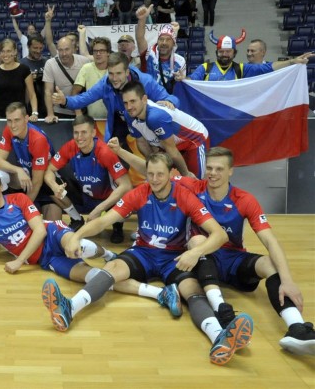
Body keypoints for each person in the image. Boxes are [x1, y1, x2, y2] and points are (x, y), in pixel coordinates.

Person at [40, 153, 254, 366]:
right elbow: (105, 221)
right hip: (144, 252)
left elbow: (220, 235)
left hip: (174, 257)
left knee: (192, 291)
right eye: (150, 174)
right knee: (113, 267)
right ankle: (69, 308)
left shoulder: (185, 196)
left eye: (160, 174)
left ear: (171, 174)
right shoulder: (141, 192)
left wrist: (194, 253)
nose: (154, 179)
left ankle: (219, 337)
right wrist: (76, 236)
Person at [177, 147, 315, 356]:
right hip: (204, 258)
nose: (213, 173)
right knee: (197, 240)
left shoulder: (244, 199)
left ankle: (296, 327)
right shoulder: (193, 187)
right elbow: (157, 173)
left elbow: (270, 240)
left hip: (233, 258)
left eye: (219, 169)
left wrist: (287, 281)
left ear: (231, 171)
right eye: (209, 168)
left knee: (269, 264)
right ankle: (222, 311)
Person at [0, 170, 117, 277]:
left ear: (1, 187)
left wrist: (19, 261)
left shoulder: (18, 199)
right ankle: (115, 277)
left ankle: (108, 255)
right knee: (88, 276)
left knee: (75, 247)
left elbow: (40, 231)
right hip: (43, 258)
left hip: (51, 234)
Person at [52, 52, 179, 148]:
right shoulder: (105, 83)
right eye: (111, 73)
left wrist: (170, 102)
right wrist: (65, 101)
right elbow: (83, 99)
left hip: (144, 122)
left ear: (127, 72)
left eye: (118, 73)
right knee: (112, 152)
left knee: (153, 152)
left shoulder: (145, 81)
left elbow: (172, 98)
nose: (114, 78)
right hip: (119, 122)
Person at [44, 115, 132, 243]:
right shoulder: (70, 147)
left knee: (127, 199)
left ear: (93, 132)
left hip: (106, 200)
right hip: (84, 195)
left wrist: (99, 209)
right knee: (47, 183)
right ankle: (76, 219)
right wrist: (54, 186)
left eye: (84, 132)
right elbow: (49, 170)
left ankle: (117, 226)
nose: (79, 137)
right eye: (76, 133)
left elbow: (126, 185)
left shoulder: (104, 152)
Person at [0, 102, 83, 226]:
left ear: (26, 119)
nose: (13, 125)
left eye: (16, 120)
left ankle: (77, 218)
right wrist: (18, 170)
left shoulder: (38, 139)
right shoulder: (9, 129)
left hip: (43, 175)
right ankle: (0, 212)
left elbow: (37, 182)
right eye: (9, 120)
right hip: (27, 175)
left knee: (52, 227)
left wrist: (21, 212)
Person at [121, 81, 209, 178]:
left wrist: (186, 174)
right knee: (161, 178)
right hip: (169, 144)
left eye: (133, 101)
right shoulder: (128, 115)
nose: (129, 107)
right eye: (125, 103)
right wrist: (154, 164)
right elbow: (141, 142)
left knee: (195, 183)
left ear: (144, 99)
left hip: (194, 140)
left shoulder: (155, 117)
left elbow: (172, 150)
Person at [187, 31, 314, 81]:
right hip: (208, 116)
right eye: (221, 51)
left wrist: (292, 61)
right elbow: (190, 81)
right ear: (216, 52)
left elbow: (267, 68)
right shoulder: (205, 68)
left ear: (234, 53)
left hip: (234, 117)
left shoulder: (242, 69)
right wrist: (183, 79)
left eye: (228, 51)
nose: (224, 54)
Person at [136, 7, 186, 94]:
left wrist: (182, 80)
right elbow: (140, 38)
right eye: (161, 39)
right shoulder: (149, 53)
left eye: (168, 40)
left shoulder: (180, 62)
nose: (164, 42)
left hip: (166, 103)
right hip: (146, 102)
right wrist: (142, 19)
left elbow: (183, 85)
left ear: (174, 43)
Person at [0, 39, 37, 121]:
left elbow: (32, 94)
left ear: (15, 52)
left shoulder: (24, 69)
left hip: (19, 117)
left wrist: (34, 113)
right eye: (3, 51)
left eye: (9, 51)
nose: (5, 54)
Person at [43, 37, 91, 122]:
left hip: (83, 111)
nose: (64, 53)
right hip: (60, 111)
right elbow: (48, 91)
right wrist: (50, 114)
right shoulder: (50, 64)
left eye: (67, 49)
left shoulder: (85, 62)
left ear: (73, 49)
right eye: (60, 50)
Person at [71, 34, 110, 119]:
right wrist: (79, 114)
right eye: (95, 51)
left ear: (108, 53)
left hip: (114, 120)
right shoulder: (86, 68)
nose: (98, 54)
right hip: (93, 119)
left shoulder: (115, 68)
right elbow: (74, 92)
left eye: (102, 51)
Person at [19, 34, 47, 117]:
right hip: (26, 107)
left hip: (44, 106)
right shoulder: (21, 64)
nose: (38, 51)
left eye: (40, 48)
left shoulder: (47, 62)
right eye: (35, 48)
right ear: (28, 47)